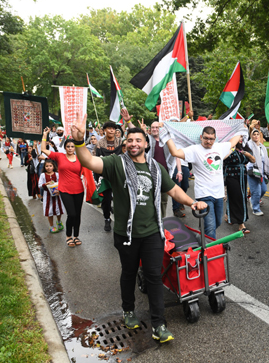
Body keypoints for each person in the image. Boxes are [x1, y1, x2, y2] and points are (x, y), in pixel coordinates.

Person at [70, 112, 207, 343]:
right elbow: (89, 161)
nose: (134, 144)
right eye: (129, 141)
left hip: (153, 232)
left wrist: (192, 202)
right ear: (125, 145)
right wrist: (80, 141)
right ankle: (128, 309)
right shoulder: (116, 164)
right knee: (129, 273)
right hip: (127, 234)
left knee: (154, 276)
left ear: (145, 143)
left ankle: (159, 324)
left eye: (138, 140)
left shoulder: (155, 168)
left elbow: (173, 190)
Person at [166, 126, 241, 240]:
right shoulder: (194, 150)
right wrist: (165, 135)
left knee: (217, 223)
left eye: (211, 139)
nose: (208, 141)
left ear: (215, 139)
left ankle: (201, 237)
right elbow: (175, 152)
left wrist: (241, 127)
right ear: (201, 137)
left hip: (219, 194)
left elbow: (233, 141)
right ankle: (210, 253)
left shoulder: (219, 147)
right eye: (206, 138)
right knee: (210, 228)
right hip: (204, 194)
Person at [41, 128, 84, 248]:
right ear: (65, 148)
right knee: (72, 214)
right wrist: (45, 135)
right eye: (68, 146)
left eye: (72, 146)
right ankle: (68, 236)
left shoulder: (80, 158)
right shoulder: (59, 157)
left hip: (79, 190)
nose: (70, 148)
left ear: (75, 148)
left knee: (78, 214)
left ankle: (76, 236)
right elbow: (43, 149)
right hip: (64, 190)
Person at [93, 121, 123, 232]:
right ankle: (107, 218)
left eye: (113, 128)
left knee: (120, 199)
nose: (111, 130)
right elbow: (96, 159)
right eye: (109, 128)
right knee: (106, 200)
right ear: (104, 130)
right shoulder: (99, 143)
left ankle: (121, 220)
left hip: (118, 174)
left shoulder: (121, 142)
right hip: (104, 175)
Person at [224, 136, 255, 233]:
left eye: (242, 136)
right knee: (237, 197)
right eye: (239, 136)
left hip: (242, 176)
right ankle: (241, 224)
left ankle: (228, 214)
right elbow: (222, 159)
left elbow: (253, 160)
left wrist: (245, 154)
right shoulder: (227, 148)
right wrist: (231, 148)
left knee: (239, 196)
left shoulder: (244, 148)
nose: (241, 138)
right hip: (231, 175)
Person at [247, 129, 269, 216]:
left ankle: (253, 200)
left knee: (263, 190)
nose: (256, 136)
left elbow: (265, 160)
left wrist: (268, 172)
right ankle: (256, 209)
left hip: (262, 171)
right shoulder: (249, 145)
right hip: (253, 170)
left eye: (257, 134)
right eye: (254, 134)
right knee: (256, 191)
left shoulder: (262, 147)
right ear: (251, 135)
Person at [38, 159, 64, 233]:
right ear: (44, 167)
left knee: (59, 209)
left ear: (53, 166)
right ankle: (51, 225)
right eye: (47, 166)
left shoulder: (57, 174)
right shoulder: (43, 175)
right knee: (49, 211)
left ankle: (59, 221)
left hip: (57, 195)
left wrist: (59, 188)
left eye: (50, 166)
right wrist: (45, 184)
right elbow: (39, 185)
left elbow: (61, 182)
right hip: (47, 195)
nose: (49, 168)